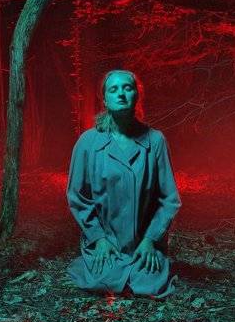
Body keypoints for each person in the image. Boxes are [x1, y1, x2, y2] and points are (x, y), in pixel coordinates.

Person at [66, 69, 181, 297]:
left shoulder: (155, 140)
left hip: (142, 243)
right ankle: (97, 259)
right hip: (107, 241)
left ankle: (146, 260)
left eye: (127, 88)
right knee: (103, 280)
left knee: (150, 285)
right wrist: (98, 238)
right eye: (113, 89)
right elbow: (77, 196)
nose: (121, 94)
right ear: (105, 99)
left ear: (136, 96)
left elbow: (169, 200)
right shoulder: (88, 142)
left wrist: (150, 239)